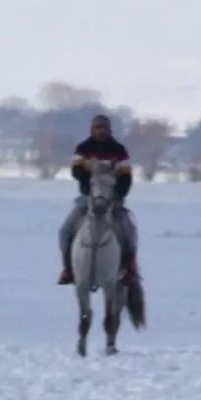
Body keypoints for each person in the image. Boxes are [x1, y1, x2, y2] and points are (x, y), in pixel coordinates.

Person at [56, 113, 140, 285]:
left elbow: (126, 176)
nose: (101, 132)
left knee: (129, 231)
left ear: (110, 130)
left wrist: (118, 195)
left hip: (112, 200)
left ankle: (130, 269)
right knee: (65, 231)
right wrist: (89, 182)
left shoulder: (119, 150)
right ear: (92, 130)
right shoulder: (83, 149)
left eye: (104, 128)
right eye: (98, 128)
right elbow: (76, 170)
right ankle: (68, 269)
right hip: (88, 199)